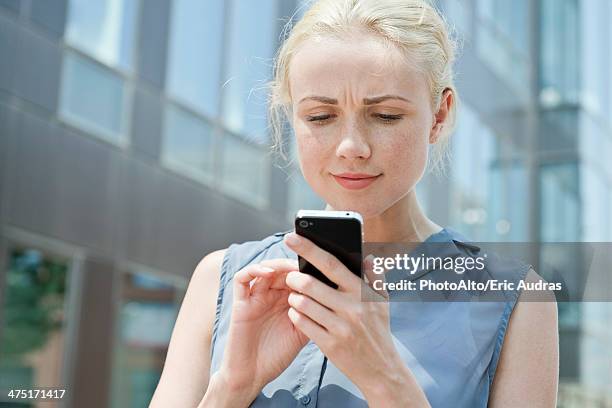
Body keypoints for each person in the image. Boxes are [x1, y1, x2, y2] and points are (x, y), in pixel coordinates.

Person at [149, 0, 559, 406]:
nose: (351, 147)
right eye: (321, 117)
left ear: (438, 115)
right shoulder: (223, 278)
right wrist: (232, 387)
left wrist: (385, 377)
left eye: (384, 115)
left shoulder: (516, 299)